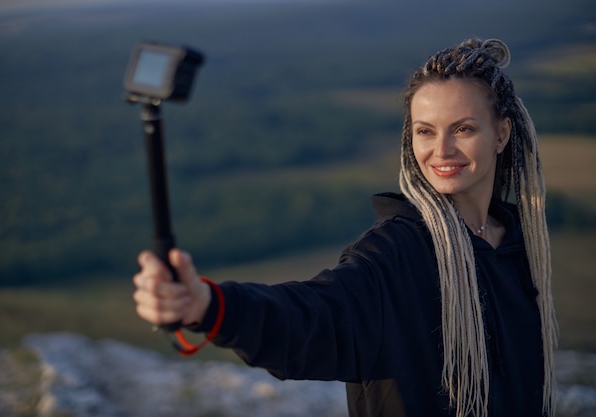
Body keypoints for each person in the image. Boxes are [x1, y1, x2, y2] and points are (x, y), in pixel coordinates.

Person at [133, 38, 558, 417]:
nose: (441, 150)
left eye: (463, 129)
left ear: (502, 133)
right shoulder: (396, 253)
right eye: (425, 131)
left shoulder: (519, 246)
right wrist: (208, 305)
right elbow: (311, 317)